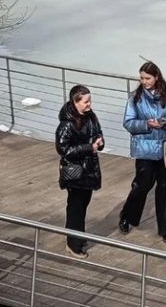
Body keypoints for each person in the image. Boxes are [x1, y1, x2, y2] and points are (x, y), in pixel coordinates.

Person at [119, 61, 166, 244]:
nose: (144, 81)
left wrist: (164, 122)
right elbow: (128, 123)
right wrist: (147, 124)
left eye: (147, 78)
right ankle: (127, 216)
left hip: (165, 149)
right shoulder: (135, 98)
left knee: (165, 189)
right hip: (144, 150)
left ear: (156, 77)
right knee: (141, 186)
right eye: (141, 78)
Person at [55, 85, 104, 259]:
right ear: (75, 102)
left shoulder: (91, 117)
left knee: (83, 205)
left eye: (90, 100)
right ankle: (73, 245)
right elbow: (63, 149)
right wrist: (88, 147)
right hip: (75, 172)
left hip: (89, 169)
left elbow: (98, 133)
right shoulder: (67, 124)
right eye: (85, 101)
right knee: (75, 207)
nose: (89, 104)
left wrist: (100, 142)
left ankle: (79, 237)